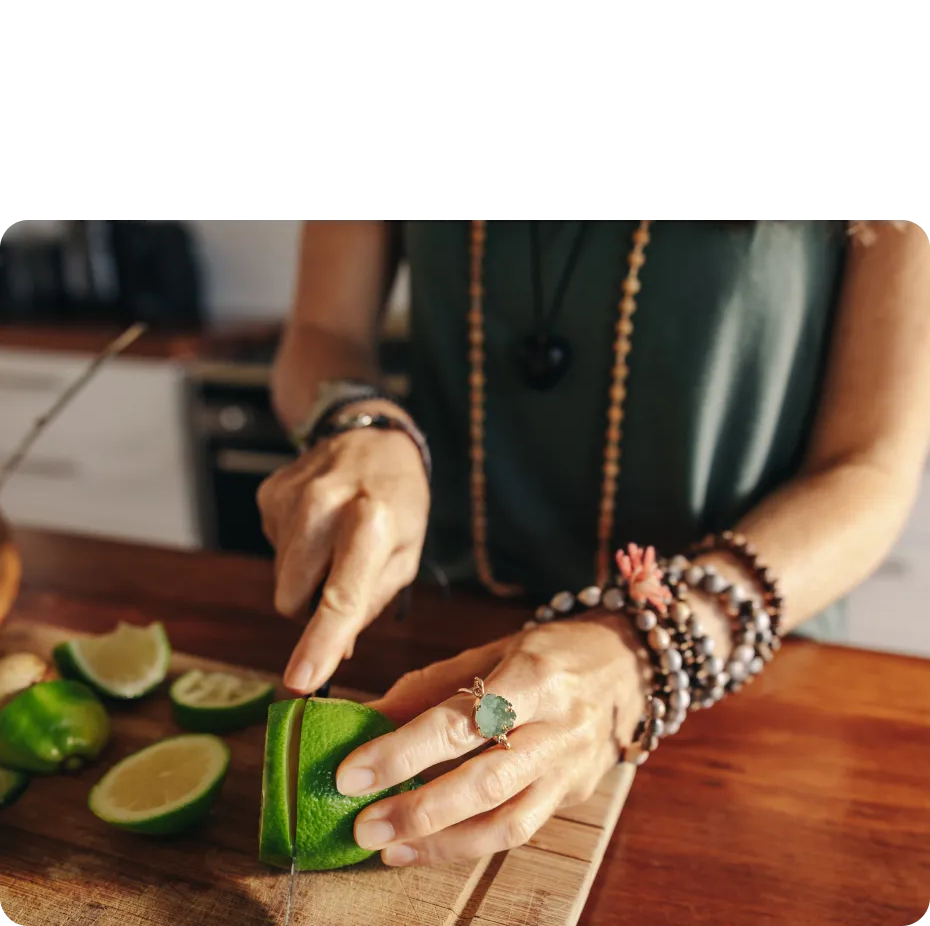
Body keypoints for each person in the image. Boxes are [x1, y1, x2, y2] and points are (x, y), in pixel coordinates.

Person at [256, 219, 930, 869]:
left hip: (740, 699)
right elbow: (324, 330)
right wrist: (361, 422)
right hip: (440, 648)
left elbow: (867, 467)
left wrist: (645, 647)